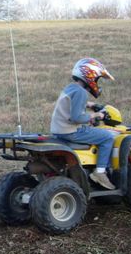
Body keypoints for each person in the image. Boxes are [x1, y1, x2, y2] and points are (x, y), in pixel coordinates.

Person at [50, 57, 117, 190]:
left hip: (58, 130)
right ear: (90, 76)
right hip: (70, 131)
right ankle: (100, 172)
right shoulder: (81, 92)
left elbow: (71, 103)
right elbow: (76, 118)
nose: (97, 83)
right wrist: (97, 115)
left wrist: (90, 105)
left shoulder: (71, 88)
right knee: (107, 137)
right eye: (97, 79)